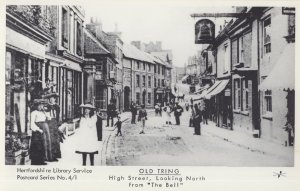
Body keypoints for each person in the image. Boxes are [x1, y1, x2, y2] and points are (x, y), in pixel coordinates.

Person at [30, 99, 50, 165]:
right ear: (36, 106)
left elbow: (49, 118)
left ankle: (42, 160)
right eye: (40, 105)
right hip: (37, 131)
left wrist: (45, 113)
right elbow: (32, 124)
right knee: (37, 145)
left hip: (44, 129)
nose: (41, 107)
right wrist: (38, 129)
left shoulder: (43, 112)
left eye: (42, 105)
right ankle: (36, 161)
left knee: (43, 144)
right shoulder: (34, 112)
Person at [44, 93, 61, 161]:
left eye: (53, 98)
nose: (51, 100)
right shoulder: (47, 106)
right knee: (50, 139)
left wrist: (58, 123)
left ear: (55, 99)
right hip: (48, 122)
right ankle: (50, 156)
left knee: (56, 139)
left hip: (54, 123)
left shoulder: (57, 106)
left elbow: (58, 115)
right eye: (50, 99)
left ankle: (55, 155)